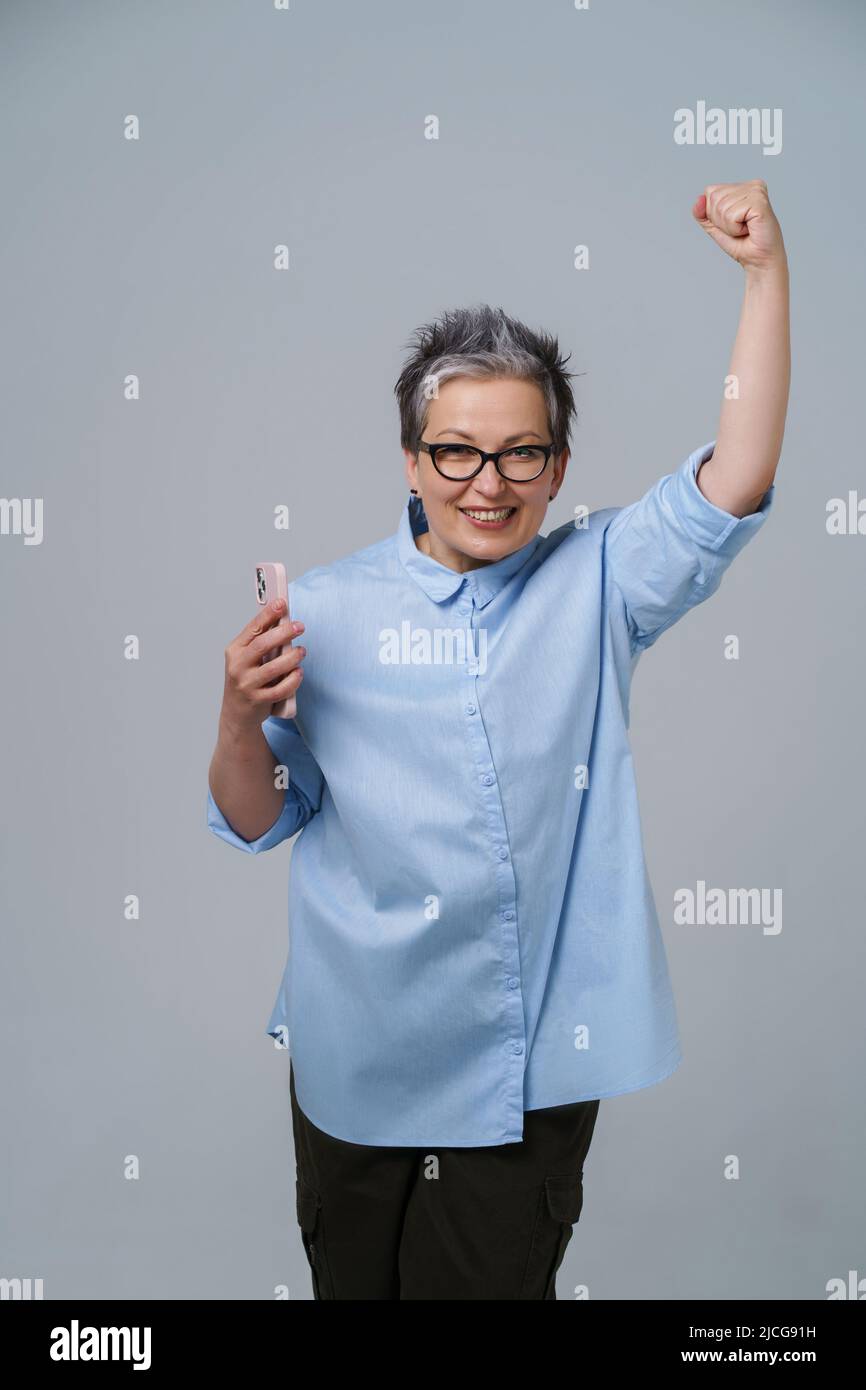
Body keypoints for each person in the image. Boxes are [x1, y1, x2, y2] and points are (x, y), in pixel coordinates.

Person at [207, 181, 789, 1300]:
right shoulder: (318, 612)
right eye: (458, 452)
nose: (488, 482)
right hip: (355, 1055)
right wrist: (238, 714)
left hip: (524, 1070)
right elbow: (254, 814)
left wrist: (763, 275)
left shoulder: (601, 579)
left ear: (558, 468)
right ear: (412, 460)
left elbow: (738, 476)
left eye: (521, 454)